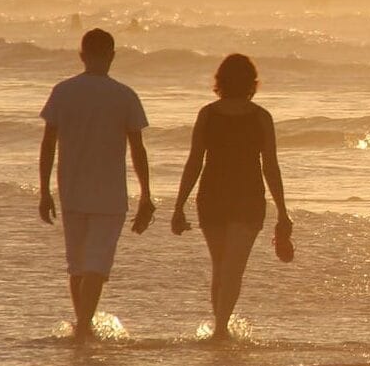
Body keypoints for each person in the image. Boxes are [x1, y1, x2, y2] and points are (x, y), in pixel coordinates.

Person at [38, 29, 154, 343]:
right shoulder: (124, 95)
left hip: (71, 189)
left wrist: (44, 189)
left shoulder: (63, 91)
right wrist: (146, 193)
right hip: (110, 193)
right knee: (96, 265)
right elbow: (137, 148)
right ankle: (84, 328)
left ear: (81, 55)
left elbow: (48, 143)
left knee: (77, 265)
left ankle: (82, 325)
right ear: (112, 55)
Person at [171, 54, 293, 341]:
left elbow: (194, 163)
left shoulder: (208, 114)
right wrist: (282, 211)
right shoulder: (261, 117)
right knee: (232, 268)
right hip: (247, 197)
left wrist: (179, 206)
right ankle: (221, 329)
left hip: (212, 196)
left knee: (221, 266)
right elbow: (271, 168)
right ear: (252, 83)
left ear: (220, 81)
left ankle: (220, 328)